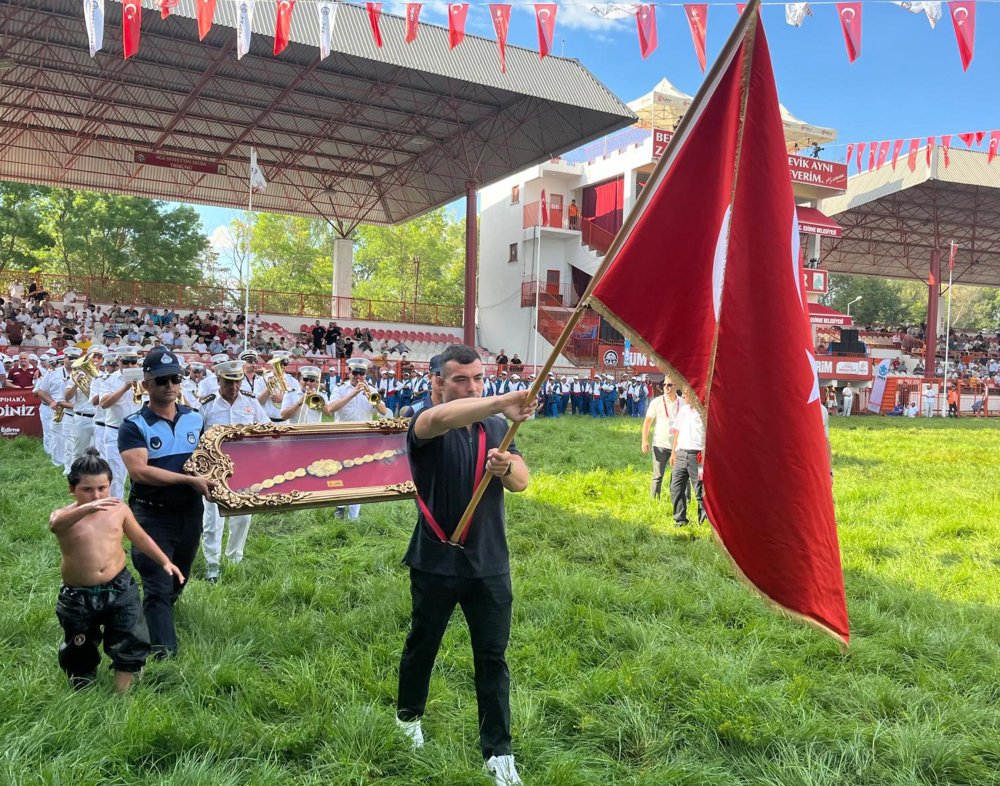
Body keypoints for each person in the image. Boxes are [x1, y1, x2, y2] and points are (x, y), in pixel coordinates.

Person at [395, 344, 535, 786]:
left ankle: (498, 752)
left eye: (478, 378)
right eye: (460, 379)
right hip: (435, 560)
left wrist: (505, 466)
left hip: (490, 562)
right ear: (436, 381)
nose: (472, 386)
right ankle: (408, 719)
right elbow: (440, 420)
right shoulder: (421, 419)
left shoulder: (496, 426)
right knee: (424, 643)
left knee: (492, 656)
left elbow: (523, 482)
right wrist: (501, 401)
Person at [49, 450, 184, 691]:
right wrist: (86, 509)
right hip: (78, 594)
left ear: (110, 485)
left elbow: (140, 537)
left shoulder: (119, 509)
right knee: (79, 647)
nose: (97, 495)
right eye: (87, 490)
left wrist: (165, 561)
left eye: (102, 488)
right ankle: (82, 690)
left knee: (130, 638)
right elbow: (55, 525)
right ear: (72, 489)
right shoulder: (65, 516)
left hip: (119, 586)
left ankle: (123, 697)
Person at [118, 347, 214, 658]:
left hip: (190, 513)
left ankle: (150, 614)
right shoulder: (133, 425)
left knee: (178, 576)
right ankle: (164, 656)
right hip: (151, 516)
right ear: (146, 384)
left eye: (175, 378)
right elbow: (140, 472)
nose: (170, 385)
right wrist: (190, 481)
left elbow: (210, 460)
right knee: (158, 583)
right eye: (161, 380)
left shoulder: (195, 419)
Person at [199, 359, 269, 582]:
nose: (234, 387)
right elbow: (197, 436)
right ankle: (212, 564)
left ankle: (234, 560)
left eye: (237, 382)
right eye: (228, 382)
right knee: (212, 519)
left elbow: (265, 426)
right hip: (214, 469)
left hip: (244, 466)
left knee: (243, 516)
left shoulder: (250, 402)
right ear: (218, 380)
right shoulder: (207, 405)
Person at [328, 358, 389, 520]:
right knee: (340, 474)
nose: (358, 376)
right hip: (342, 438)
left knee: (359, 476)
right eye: (354, 372)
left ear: (365, 374)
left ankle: (354, 516)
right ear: (349, 372)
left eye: (361, 373)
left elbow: (383, 411)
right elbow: (330, 408)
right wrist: (352, 394)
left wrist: (372, 396)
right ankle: (340, 507)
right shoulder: (340, 389)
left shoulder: (371, 388)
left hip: (363, 439)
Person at [669, 394, 706, 526]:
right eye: (683, 394)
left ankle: (704, 521)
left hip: (698, 456)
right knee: (676, 488)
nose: (684, 396)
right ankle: (680, 520)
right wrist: (673, 452)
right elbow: (677, 431)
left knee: (700, 490)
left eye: (686, 394)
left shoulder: (704, 411)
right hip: (681, 454)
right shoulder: (683, 410)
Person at [641, 381, 681, 499]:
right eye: (664, 385)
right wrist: (644, 440)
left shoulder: (683, 402)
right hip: (660, 443)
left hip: (678, 445)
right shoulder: (656, 402)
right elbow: (648, 421)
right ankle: (654, 501)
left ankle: (679, 500)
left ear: (676, 386)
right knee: (658, 475)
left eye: (669, 385)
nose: (666, 387)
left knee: (679, 476)